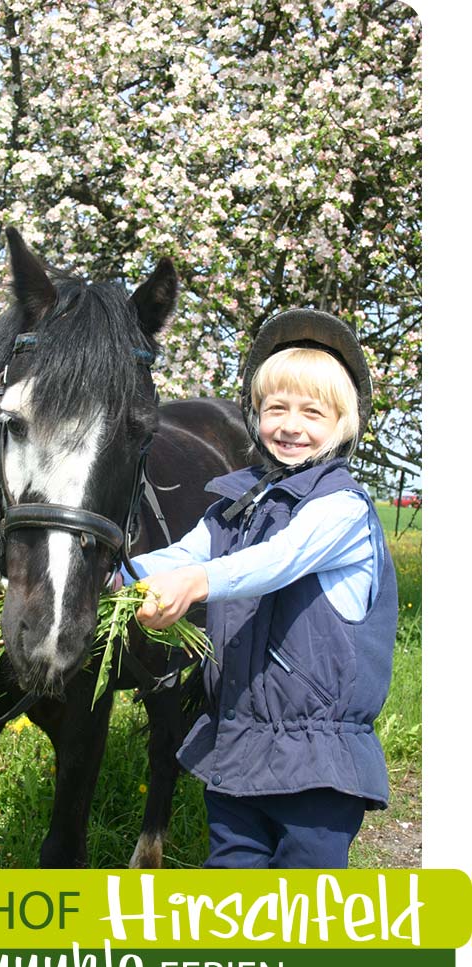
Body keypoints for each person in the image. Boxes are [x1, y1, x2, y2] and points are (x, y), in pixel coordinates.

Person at [120, 308, 398, 868]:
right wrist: (111, 579)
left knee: (305, 899)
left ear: (342, 423)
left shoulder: (341, 509)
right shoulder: (236, 505)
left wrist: (196, 583)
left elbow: (277, 561)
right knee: (234, 882)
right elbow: (181, 553)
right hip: (240, 745)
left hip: (317, 759)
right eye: (276, 409)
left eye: (311, 413)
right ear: (255, 416)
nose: (290, 425)